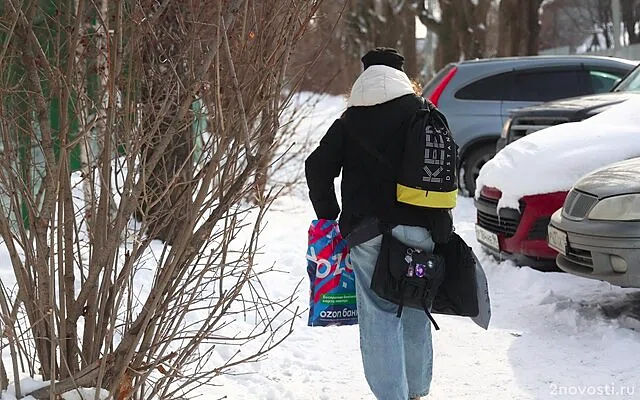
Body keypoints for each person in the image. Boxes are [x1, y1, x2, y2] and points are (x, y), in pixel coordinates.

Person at [305, 48, 454, 400]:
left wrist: (329, 215)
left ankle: (392, 395)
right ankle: (416, 390)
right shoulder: (423, 112)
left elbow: (316, 167)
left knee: (379, 313)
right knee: (417, 305)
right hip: (420, 228)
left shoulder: (350, 120)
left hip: (366, 232)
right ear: (404, 77)